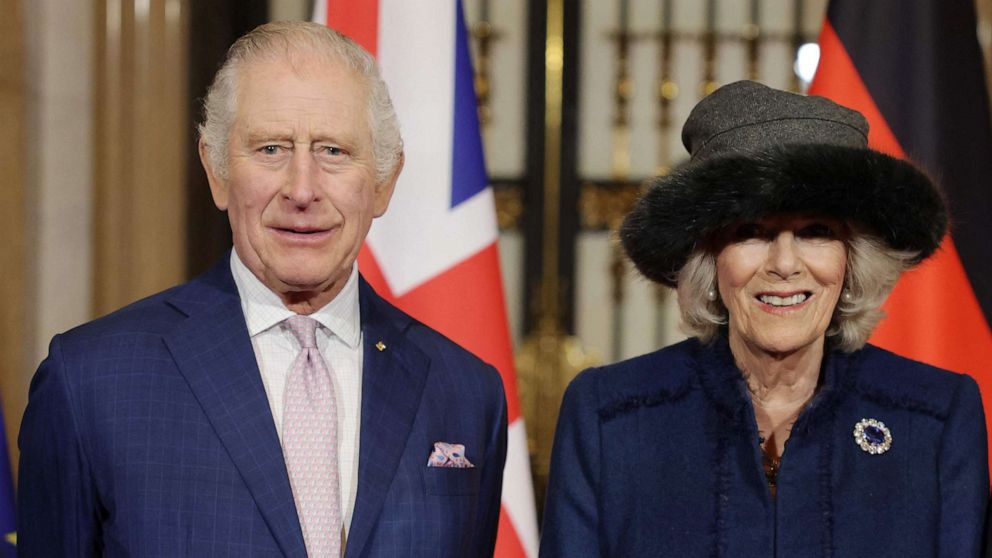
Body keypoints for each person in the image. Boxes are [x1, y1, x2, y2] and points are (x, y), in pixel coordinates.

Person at [18, 21, 506, 557]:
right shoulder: (92, 380)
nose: (302, 188)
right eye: (271, 148)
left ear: (384, 181)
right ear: (217, 172)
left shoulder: (464, 393)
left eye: (334, 151)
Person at [540, 80, 988, 557]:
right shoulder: (613, 418)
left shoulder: (934, 418)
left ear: (851, 261)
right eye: (752, 231)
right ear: (709, 257)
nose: (784, 264)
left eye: (816, 231)